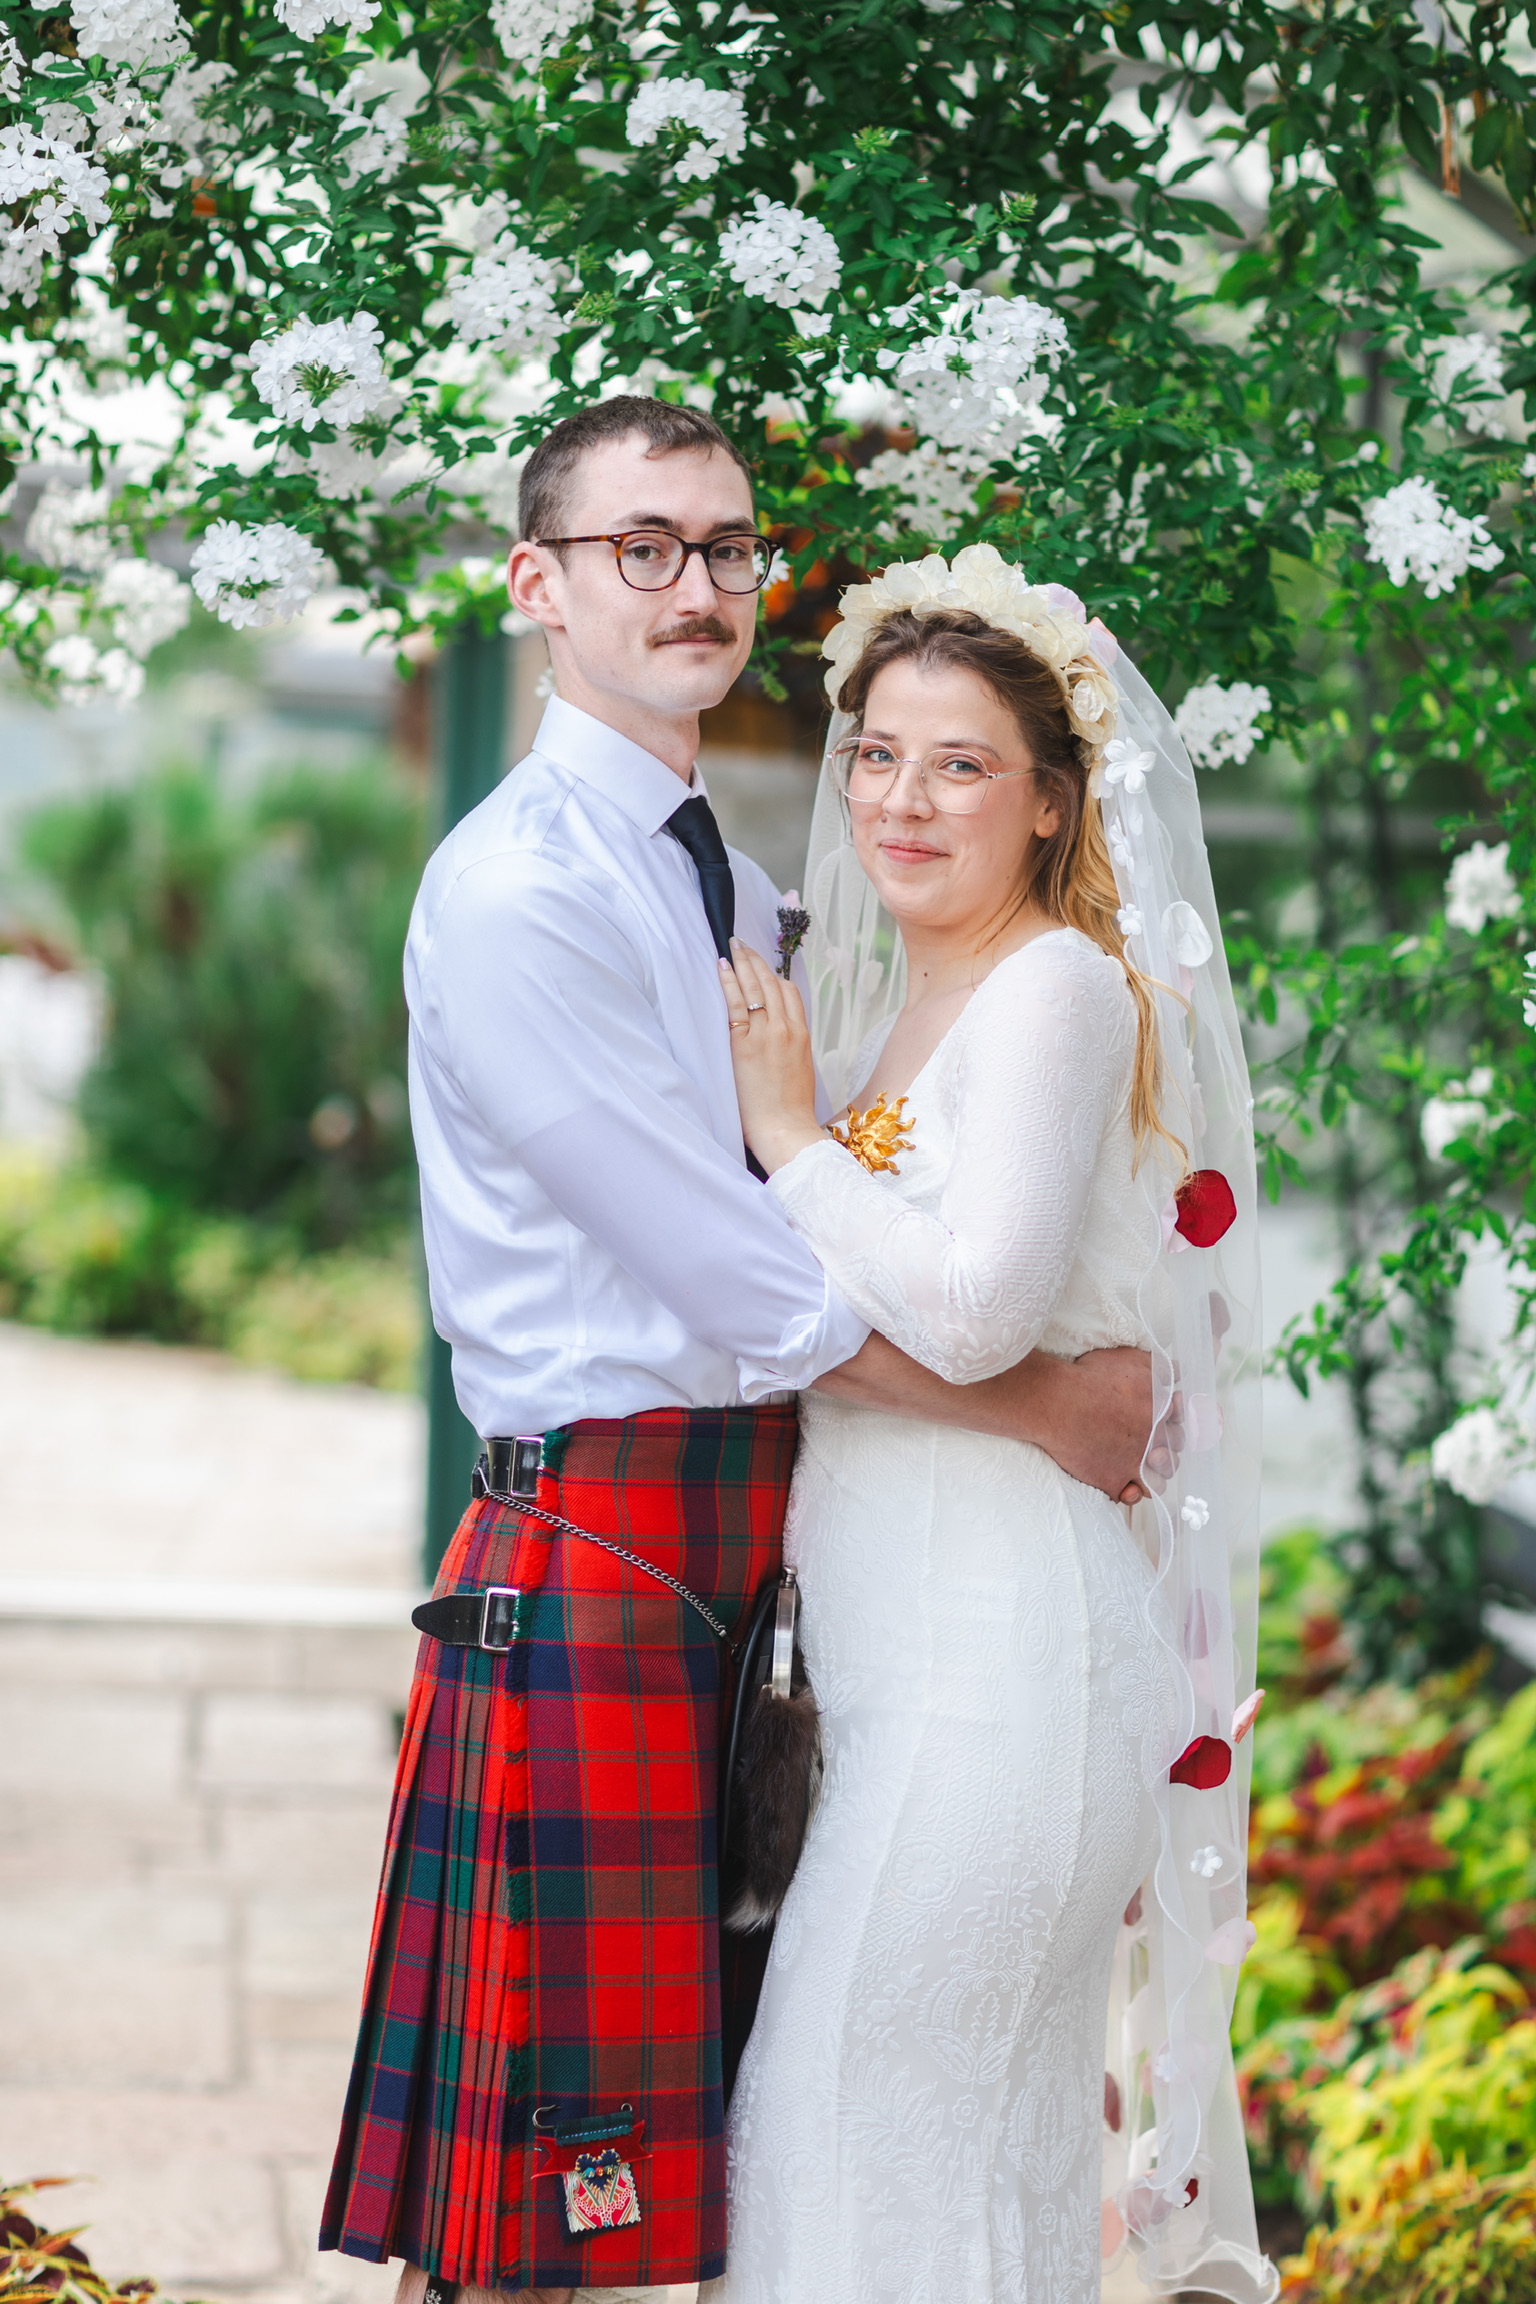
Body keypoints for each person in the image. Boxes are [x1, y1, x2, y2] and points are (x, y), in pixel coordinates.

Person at [319, 400, 1156, 2304]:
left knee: (740, 2175)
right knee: (565, 2217)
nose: (696, 587)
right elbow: (737, 1281)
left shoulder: (728, 868)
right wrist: (1041, 1408)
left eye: (724, 547)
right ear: (537, 582)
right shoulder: (527, 889)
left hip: (751, 1572)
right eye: (643, 548)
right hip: (608, 1552)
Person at [704, 549, 1275, 2304]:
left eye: (961, 764)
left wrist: (787, 1141)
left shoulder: (1058, 992)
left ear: (1048, 803)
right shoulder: (897, 1013)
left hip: (1007, 1672)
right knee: (939, 2169)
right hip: (919, 1672)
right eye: (876, 752)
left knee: (845, 2143)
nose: (901, 796)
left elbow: (968, 1309)